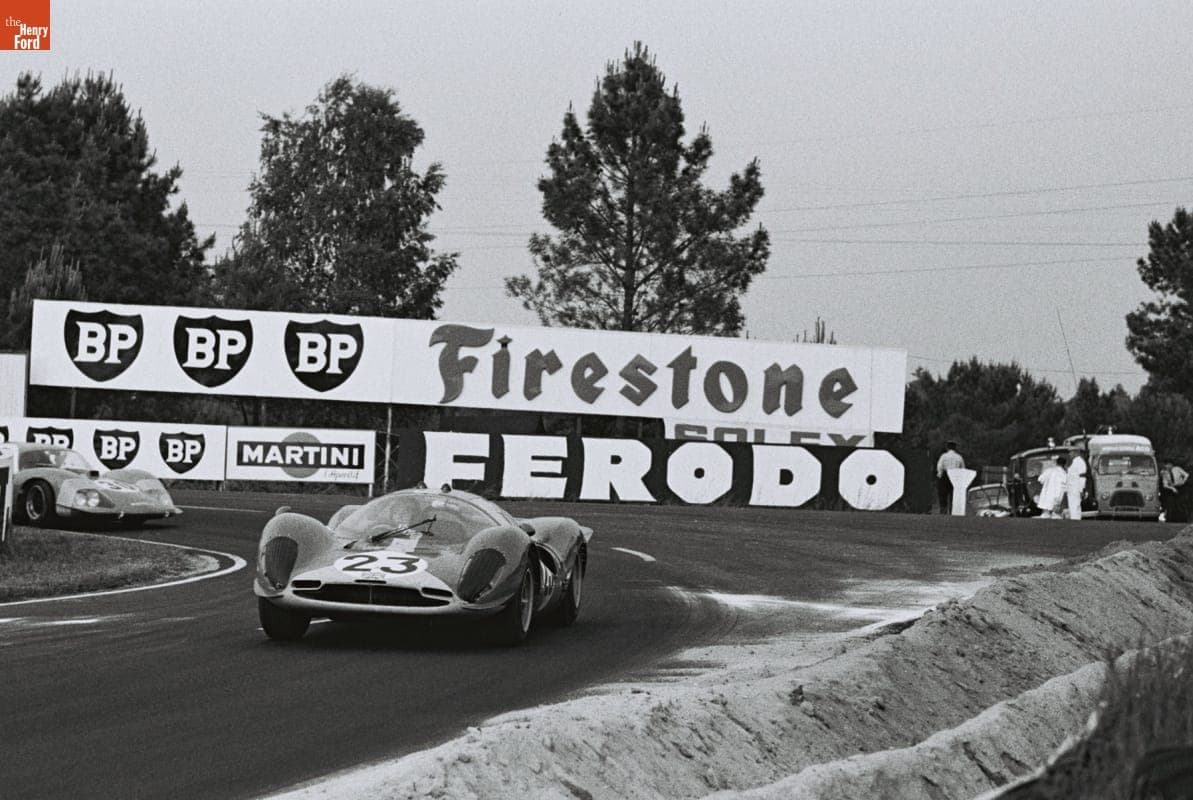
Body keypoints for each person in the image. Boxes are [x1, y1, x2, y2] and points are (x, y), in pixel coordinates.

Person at [935, 441, 965, 513]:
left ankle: (943, 510)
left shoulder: (944, 456)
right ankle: (952, 510)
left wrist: (939, 475)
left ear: (947, 448)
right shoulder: (959, 457)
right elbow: (963, 468)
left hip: (945, 475)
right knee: (953, 495)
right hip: (955, 475)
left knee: (943, 494)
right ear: (955, 448)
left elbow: (939, 466)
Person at [1066, 448, 1088, 521]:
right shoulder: (1075, 461)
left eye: (1070, 452)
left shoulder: (1079, 462)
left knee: (1075, 507)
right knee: (1073, 508)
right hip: (1072, 489)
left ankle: (1076, 523)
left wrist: (1081, 489)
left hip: (1076, 489)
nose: (1069, 454)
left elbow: (1082, 476)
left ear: (1075, 452)